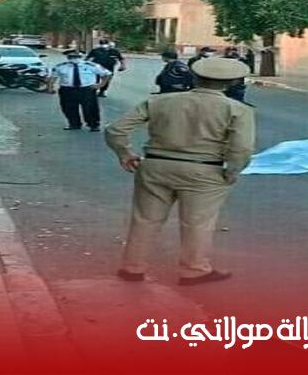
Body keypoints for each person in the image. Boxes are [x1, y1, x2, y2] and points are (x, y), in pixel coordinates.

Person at [105, 58, 255, 286]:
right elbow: (242, 147)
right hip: (205, 168)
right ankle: (193, 270)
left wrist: (124, 154)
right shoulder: (238, 109)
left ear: (194, 77)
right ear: (232, 82)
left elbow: (115, 130)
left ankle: (132, 268)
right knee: (197, 222)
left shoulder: (159, 101)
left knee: (145, 219)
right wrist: (233, 170)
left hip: (156, 165)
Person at [49, 51, 112, 132]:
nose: (74, 59)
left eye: (76, 57)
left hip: (86, 89)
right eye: (71, 57)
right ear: (67, 57)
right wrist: (50, 87)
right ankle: (74, 124)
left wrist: (101, 84)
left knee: (90, 108)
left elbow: (107, 74)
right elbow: (53, 77)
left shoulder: (91, 65)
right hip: (67, 90)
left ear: (81, 57)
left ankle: (93, 125)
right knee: (68, 108)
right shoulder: (60, 66)